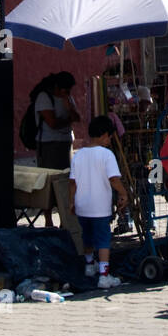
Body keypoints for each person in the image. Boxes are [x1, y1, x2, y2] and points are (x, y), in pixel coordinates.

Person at [69, 115, 128, 289]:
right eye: (109, 136)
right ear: (103, 135)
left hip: (82, 205)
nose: (110, 140)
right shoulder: (106, 155)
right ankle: (104, 275)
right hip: (100, 206)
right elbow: (114, 179)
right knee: (103, 240)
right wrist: (124, 193)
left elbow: (72, 182)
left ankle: (89, 266)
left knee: (87, 237)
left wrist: (71, 202)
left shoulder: (78, 155)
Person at [35, 71, 81, 228]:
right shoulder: (44, 98)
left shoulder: (68, 98)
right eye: (64, 90)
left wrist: (69, 109)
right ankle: (48, 220)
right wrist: (68, 119)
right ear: (56, 87)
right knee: (48, 183)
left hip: (65, 143)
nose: (67, 93)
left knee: (66, 183)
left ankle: (64, 220)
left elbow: (77, 117)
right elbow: (52, 123)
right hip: (48, 145)